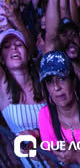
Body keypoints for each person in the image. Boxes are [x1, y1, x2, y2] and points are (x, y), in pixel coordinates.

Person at [37, 50, 80, 165]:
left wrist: (77, 155)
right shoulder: (45, 115)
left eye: (62, 78)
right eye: (49, 82)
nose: (56, 87)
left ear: (73, 81)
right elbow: (52, 161)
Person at [0, 28, 45, 166]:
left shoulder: (43, 79)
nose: (13, 47)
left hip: (54, 155)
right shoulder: (2, 83)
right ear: (1, 58)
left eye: (19, 45)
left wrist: (37, 133)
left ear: (28, 53)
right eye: (7, 47)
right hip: (24, 161)